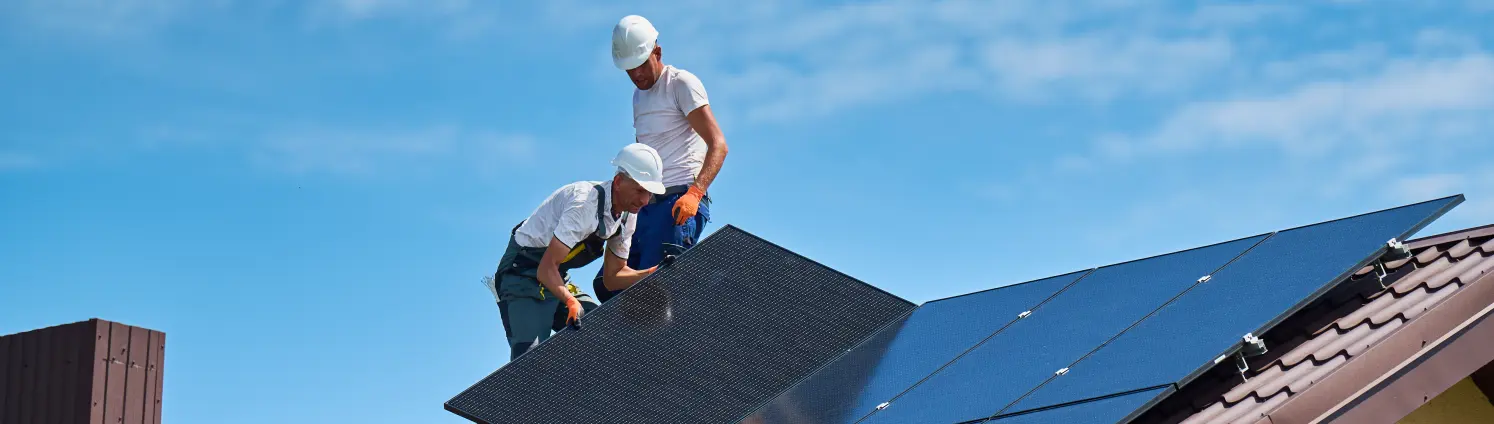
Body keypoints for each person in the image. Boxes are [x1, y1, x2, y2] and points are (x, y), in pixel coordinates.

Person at [486, 143, 665, 360]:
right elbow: (545, 269)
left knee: (600, 332)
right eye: (640, 190)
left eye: (649, 193)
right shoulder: (584, 204)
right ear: (618, 182)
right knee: (529, 360)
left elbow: (613, 277)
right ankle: (514, 315)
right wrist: (571, 301)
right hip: (522, 274)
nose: (645, 200)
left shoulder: (628, 215)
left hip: (555, 275)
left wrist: (654, 273)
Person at [596, 15, 730, 302]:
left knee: (658, 287)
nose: (636, 75)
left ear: (657, 53)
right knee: (609, 286)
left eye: (641, 65)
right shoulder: (638, 97)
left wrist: (696, 193)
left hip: (677, 202)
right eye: (629, 69)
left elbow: (718, 145)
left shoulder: (680, 84)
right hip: (643, 208)